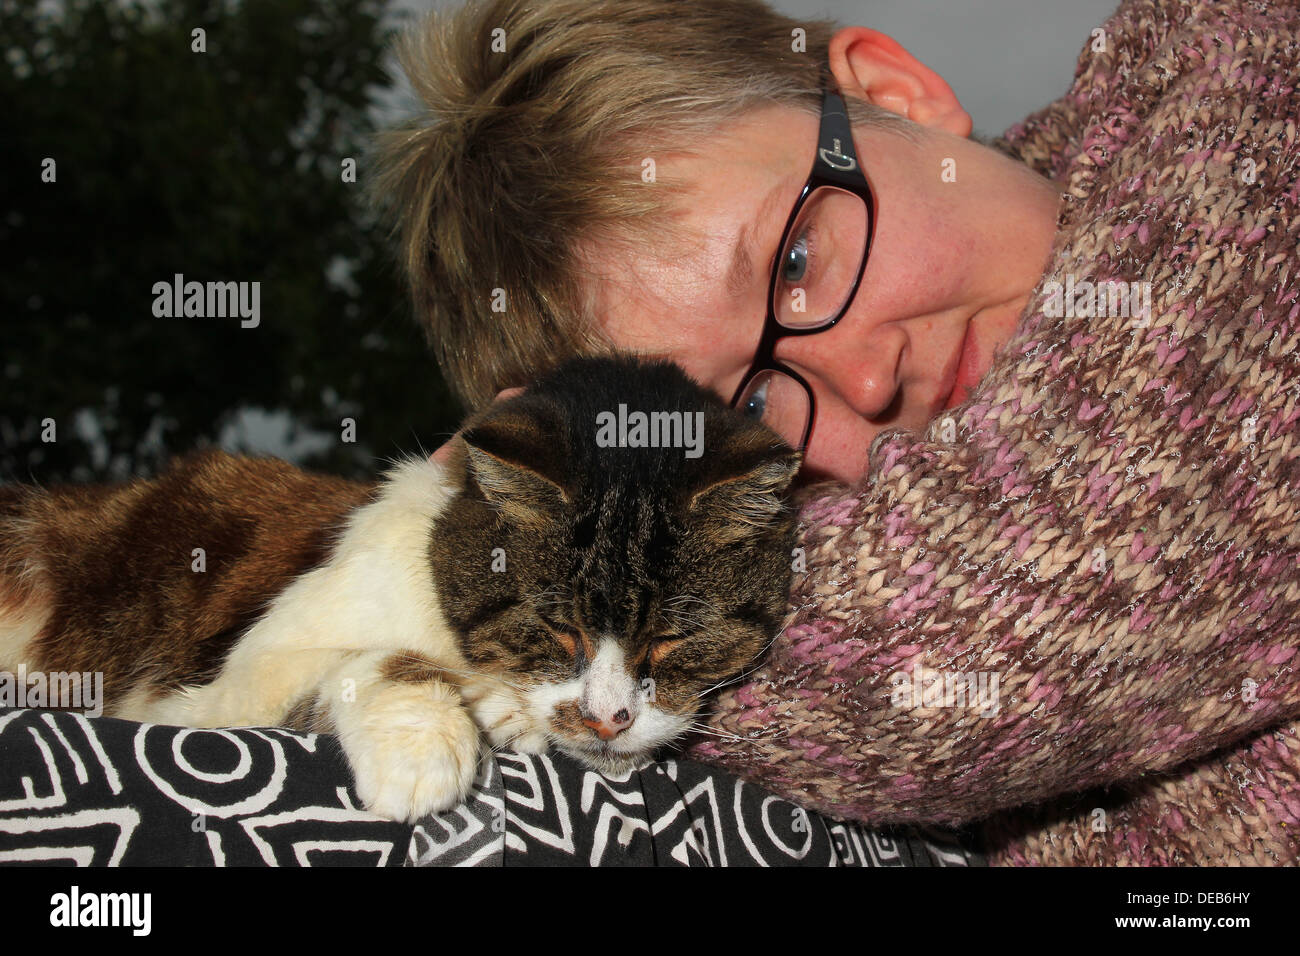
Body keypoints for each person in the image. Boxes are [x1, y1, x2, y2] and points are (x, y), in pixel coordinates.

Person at [375, 0, 1300, 864]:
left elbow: (987, 634)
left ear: (892, 94)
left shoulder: (1255, 78)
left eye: (799, 260)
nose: (865, 379)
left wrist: (543, 625)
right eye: (745, 412)